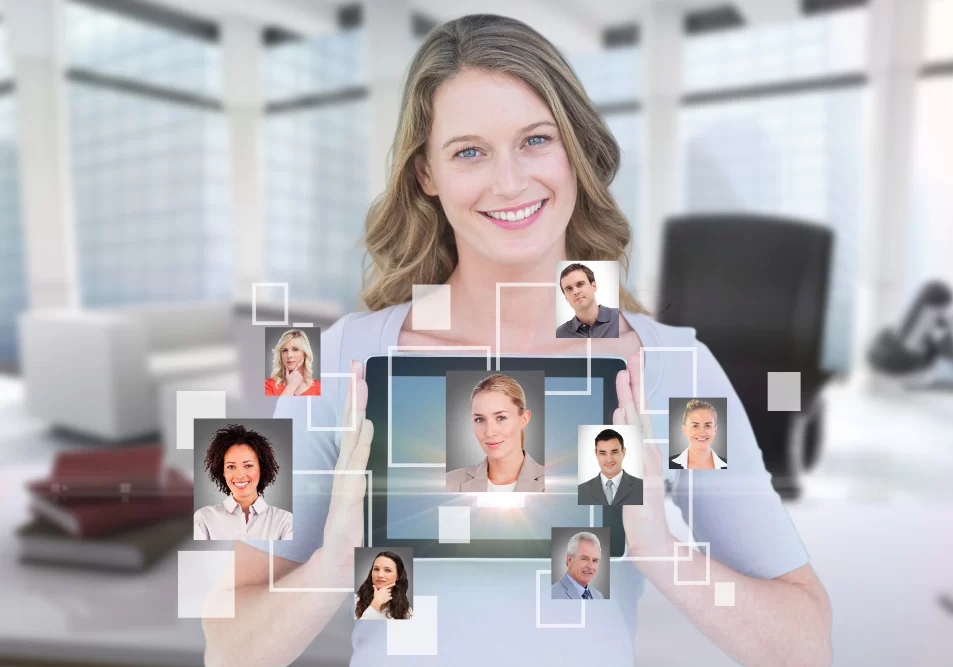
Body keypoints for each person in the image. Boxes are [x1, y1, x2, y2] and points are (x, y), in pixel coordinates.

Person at [205, 15, 832, 667]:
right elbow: (225, 647)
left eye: (535, 139)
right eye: (469, 151)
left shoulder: (671, 367)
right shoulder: (337, 361)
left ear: (577, 151)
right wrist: (333, 564)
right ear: (426, 174)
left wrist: (665, 553)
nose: (508, 182)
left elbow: (806, 641)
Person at [445, 373, 544, 492]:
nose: (489, 432)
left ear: (524, 419)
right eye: (479, 419)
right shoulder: (449, 484)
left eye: (501, 418)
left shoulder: (557, 484)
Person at [193, 423, 293, 540]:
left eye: (248, 465)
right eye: (231, 466)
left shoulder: (285, 522)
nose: (240, 475)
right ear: (223, 472)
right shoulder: (203, 519)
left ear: (261, 469)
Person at [577, 428, 643, 506]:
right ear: (596, 453)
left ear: (623, 452)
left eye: (614, 452)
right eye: (603, 453)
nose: (609, 459)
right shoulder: (580, 492)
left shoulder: (643, 488)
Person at [556, 262, 620, 338]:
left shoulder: (620, 318)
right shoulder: (560, 334)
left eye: (580, 284)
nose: (575, 292)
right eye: (569, 289)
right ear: (566, 297)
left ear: (594, 286)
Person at [670, 399, 728, 470]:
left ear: (715, 429)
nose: (702, 432)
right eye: (695, 426)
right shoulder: (668, 465)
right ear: (684, 430)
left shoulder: (728, 466)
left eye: (707, 426)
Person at [354, 551, 413, 620]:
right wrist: (376, 603)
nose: (380, 575)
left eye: (388, 570)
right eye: (376, 569)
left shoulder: (406, 611)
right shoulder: (354, 601)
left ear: (398, 576)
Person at [264, 329, 321, 396]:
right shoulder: (268, 385)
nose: (289, 355)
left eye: (295, 349)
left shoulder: (320, 387)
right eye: (284, 350)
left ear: (305, 354)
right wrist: (291, 386)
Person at [551, 532, 605, 599]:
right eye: (585, 559)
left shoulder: (599, 596)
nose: (590, 566)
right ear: (570, 559)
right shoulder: (552, 594)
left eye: (595, 560)